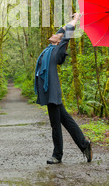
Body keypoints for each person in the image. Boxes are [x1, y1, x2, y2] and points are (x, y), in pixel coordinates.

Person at [34, 12, 92, 164]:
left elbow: (67, 33)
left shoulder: (58, 49)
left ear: (60, 40)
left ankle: (57, 155)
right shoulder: (49, 49)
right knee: (66, 120)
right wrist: (72, 19)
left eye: (57, 34)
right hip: (50, 91)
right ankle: (84, 145)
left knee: (55, 124)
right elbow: (63, 29)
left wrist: (76, 19)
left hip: (52, 91)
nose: (54, 33)